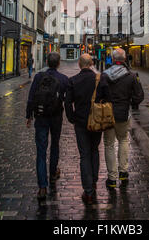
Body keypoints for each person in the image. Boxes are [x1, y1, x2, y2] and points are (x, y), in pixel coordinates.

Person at [97, 48, 144, 190]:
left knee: (109, 144)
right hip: (123, 113)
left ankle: (112, 178)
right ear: (125, 59)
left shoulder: (104, 75)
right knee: (123, 140)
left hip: (108, 114)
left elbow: (98, 96)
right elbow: (139, 96)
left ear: (112, 58)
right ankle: (123, 171)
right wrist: (130, 102)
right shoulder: (131, 75)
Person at [26, 52, 69, 203]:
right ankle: (52, 173)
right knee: (55, 145)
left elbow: (31, 97)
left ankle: (42, 186)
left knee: (41, 150)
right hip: (56, 117)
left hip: (41, 117)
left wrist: (28, 115)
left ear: (46, 62)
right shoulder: (63, 79)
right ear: (58, 63)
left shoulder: (38, 77)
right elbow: (66, 100)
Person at [65, 54, 103, 206]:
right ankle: (93, 182)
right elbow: (107, 99)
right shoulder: (100, 79)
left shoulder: (73, 80)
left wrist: (72, 118)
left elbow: (67, 103)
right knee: (94, 150)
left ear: (80, 64)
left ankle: (88, 191)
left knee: (84, 154)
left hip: (80, 122)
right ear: (92, 63)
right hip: (97, 121)